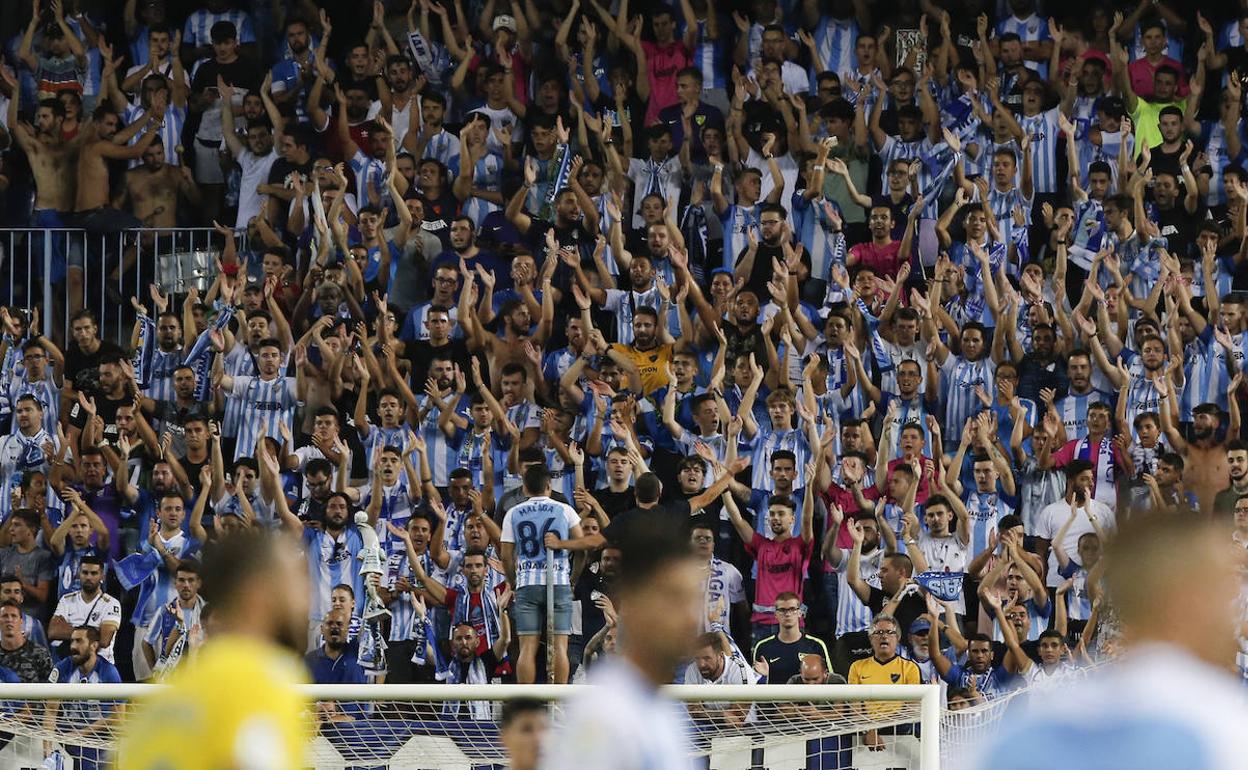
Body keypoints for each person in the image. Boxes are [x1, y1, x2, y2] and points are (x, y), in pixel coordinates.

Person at [975, 512, 1248, 768]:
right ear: (1187, 601)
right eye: (1222, 590)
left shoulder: (1020, 737)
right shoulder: (1222, 727)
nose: (1232, 607)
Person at [117, 532, 310, 770]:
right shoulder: (259, 680)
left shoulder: (176, 689)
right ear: (259, 594)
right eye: (296, 582)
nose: (304, 597)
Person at [543, 514, 702, 770]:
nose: (690, 618)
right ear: (634, 600)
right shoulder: (606, 717)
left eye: (693, 600)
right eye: (675, 600)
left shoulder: (660, 712)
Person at [500, 465, 581, 684]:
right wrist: (572, 578)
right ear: (549, 485)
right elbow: (582, 546)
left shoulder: (513, 513)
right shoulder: (565, 509)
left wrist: (513, 582)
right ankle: (559, 703)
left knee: (527, 647)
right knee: (560, 646)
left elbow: (506, 555)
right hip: (558, 581)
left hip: (527, 583)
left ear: (524, 488)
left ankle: (527, 706)